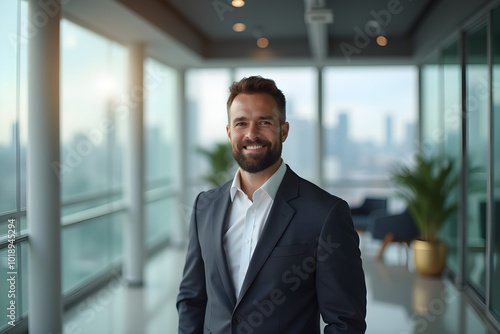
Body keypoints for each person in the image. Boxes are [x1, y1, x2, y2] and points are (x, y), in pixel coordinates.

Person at [177, 76, 366, 334]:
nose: (252, 133)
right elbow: (191, 300)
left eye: (264, 122)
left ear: (283, 131)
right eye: (241, 123)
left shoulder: (325, 214)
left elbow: (346, 322)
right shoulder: (204, 207)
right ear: (229, 132)